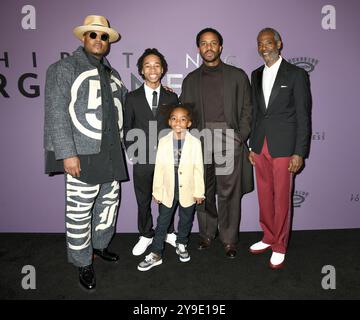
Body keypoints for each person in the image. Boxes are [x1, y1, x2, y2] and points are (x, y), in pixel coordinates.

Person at [44, 15, 128, 290]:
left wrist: (156, 90)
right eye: (93, 35)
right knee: (79, 213)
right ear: (83, 38)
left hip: (111, 154)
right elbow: (56, 113)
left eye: (104, 36)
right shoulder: (64, 68)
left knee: (108, 206)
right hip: (82, 154)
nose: (99, 40)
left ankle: (100, 246)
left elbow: (127, 104)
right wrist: (67, 153)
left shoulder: (112, 74)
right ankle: (83, 261)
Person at [180, 28, 253, 258]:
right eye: (204, 43)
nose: (208, 47)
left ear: (221, 47)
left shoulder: (238, 76)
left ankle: (229, 239)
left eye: (213, 43)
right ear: (198, 48)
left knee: (228, 193)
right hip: (200, 140)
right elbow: (185, 113)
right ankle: (207, 234)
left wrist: (240, 136)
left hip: (229, 138)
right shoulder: (191, 80)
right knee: (203, 190)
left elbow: (247, 110)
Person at [248, 28, 311, 269]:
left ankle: (279, 245)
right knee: (264, 194)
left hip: (285, 146)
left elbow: (304, 116)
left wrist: (299, 151)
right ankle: (268, 235)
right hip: (260, 144)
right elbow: (256, 113)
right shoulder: (255, 75)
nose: (264, 47)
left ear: (278, 43)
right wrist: (252, 145)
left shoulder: (296, 74)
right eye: (260, 43)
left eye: (268, 42)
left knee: (282, 197)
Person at [124, 48, 179, 256]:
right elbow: (127, 128)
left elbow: (177, 127)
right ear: (141, 70)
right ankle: (146, 234)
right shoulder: (131, 98)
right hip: (143, 159)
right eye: (147, 65)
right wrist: (134, 152)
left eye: (156, 65)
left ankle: (168, 231)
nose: (152, 69)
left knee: (168, 197)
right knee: (143, 199)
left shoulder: (172, 98)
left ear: (163, 69)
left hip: (167, 159)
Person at [137, 105, 205, 271]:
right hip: (168, 188)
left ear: (189, 123)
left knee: (186, 219)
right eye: (174, 118)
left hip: (188, 189)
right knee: (162, 222)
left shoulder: (195, 142)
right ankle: (156, 252)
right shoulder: (164, 141)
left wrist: (199, 191)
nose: (178, 122)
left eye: (183, 119)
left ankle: (181, 243)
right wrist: (157, 190)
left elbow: (198, 168)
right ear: (169, 121)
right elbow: (159, 168)